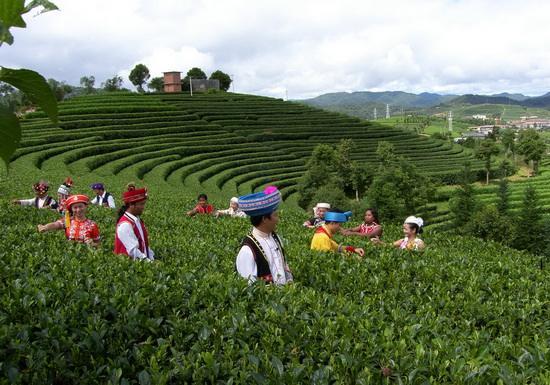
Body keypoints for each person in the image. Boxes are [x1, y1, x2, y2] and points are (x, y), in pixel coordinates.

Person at [236, 186, 293, 285]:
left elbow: (283, 265)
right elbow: (250, 288)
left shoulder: (276, 238)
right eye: (275, 215)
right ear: (264, 219)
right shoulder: (247, 250)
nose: (278, 219)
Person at [114, 183, 155, 261]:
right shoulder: (125, 225)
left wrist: (151, 258)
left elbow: (144, 244)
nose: (143, 207)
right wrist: (150, 263)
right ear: (131, 205)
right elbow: (133, 251)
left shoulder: (137, 220)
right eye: (141, 204)